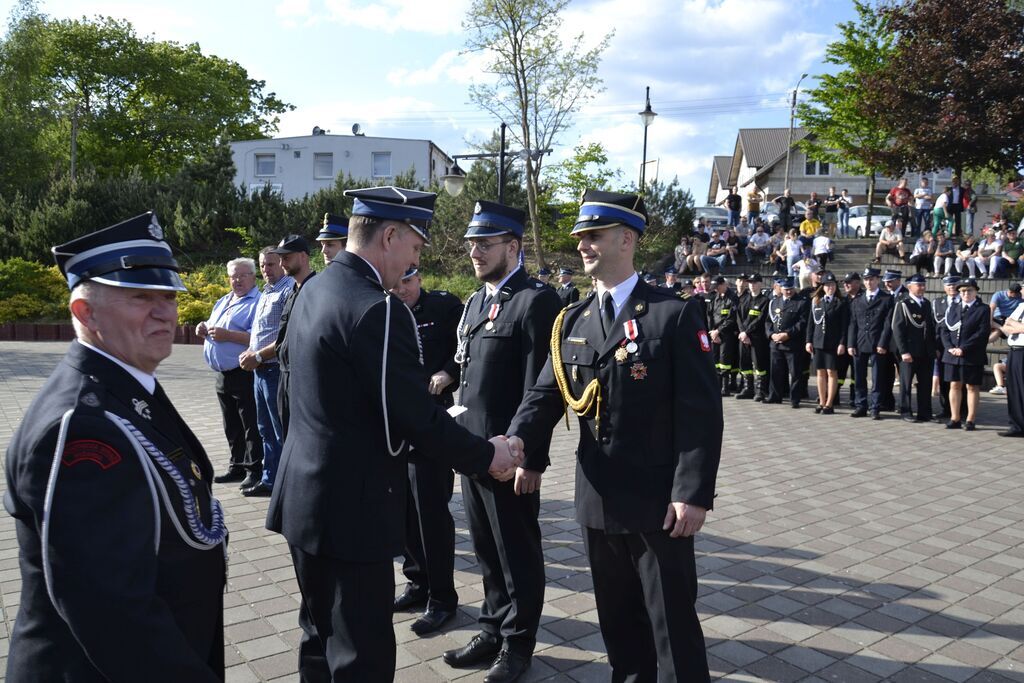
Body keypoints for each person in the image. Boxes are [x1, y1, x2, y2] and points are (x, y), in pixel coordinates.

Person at [266, 186, 522, 682]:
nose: (413, 260)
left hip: (303, 499)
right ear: (389, 236)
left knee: (318, 640)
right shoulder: (378, 309)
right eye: (415, 247)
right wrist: (485, 454)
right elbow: (413, 418)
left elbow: (289, 393)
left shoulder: (314, 290)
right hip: (353, 510)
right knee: (360, 654)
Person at [505, 189, 723, 683]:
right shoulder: (574, 318)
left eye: (593, 236)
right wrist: (516, 441)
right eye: (581, 237)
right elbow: (545, 393)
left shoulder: (673, 314)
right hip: (597, 497)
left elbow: (701, 415)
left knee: (670, 623)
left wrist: (691, 494)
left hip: (657, 502)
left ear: (627, 239)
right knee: (617, 621)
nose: (582, 246)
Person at [5, 212, 227, 681]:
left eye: (168, 297)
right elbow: (110, 610)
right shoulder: (82, 426)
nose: (165, 311)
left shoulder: (128, 383)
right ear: (85, 313)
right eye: (141, 297)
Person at [441, 200, 562, 683]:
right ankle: (492, 626)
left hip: (510, 456)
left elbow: (543, 388)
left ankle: (518, 644)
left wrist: (531, 458)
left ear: (513, 246)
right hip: (473, 451)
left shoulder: (536, 300)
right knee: (487, 549)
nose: (474, 251)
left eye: (484, 244)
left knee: (517, 552)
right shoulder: (474, 302)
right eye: (471, 244)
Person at [390, 267, 465, 635]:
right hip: (394, 425)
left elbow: (465, 348)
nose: (402, 288)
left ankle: (442, 598)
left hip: (433, 419)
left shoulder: (444, 307)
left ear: (420, 279)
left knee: (430, 512)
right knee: (404, 510)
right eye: (398, 281)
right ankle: (417, 582)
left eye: (409, 280)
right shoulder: (385, 308)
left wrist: (449, 373)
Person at [237, 239, 301, 497]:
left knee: (281, 430)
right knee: (265, 429)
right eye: (263, 265)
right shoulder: (266, 291)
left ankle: (288, 484)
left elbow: (287, 335)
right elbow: (261, 330)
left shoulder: (288, 290)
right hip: (260, 372)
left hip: (275, 370)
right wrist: (250, 351)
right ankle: (270, 480)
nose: (267, 269)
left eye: (272, 264)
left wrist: (260, 356)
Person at [197, 257, 262, 489]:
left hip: (244, 372)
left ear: (254, 277)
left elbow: (258, 338)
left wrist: (228, 336)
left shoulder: (258, 302)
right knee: (231, 425)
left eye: (243, 275)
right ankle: (237, 466)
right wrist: (203, 328)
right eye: (233, 276)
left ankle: (255, 470)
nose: (237, 280)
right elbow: (214, 327)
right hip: (222, 375)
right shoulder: (224, 300)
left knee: (250, 425)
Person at [266, 234, 316, 492]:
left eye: (287, 257)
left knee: (304, 442)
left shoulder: (316, 289)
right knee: (284, 436)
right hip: (285, 376)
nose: (282, 261)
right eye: (281, 256)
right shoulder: (293, 290)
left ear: (304, 257)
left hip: (303, 380)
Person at [940, 278, 989, 430]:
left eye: (969, 290)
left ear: (976, 291)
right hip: (952, 354)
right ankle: (955, 418)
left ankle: (970, 419)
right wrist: (949, 347)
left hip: (971, 354)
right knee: (954, 385)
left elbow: (982, 333)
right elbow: (944, 330)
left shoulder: (983, 309)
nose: (965, 293)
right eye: (962, 291)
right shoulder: (953, 308)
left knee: (972, 387)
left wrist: (963, 348)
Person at [847, 267, 895, 419]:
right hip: (860, 343)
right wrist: (850, 344)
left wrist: (883, 343)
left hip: (877, 343)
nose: (869, 282)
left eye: (872, 279)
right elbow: (853, 324)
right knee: (859, 377)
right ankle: (861, 405)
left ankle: (875, 407)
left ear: (878, 280)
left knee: (877, 377)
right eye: (866, 279)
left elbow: (888, 325)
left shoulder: (886, 299)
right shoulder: (858, 300)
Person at [890, 273, 936, 422]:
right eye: (919, 285)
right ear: (910, 286)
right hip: (909, 351)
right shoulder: (903, 304)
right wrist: (903, 351)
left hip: (925, 351)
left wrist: (933, 348)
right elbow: (897, 329)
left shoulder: (927, 304)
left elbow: (930, 329)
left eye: (923, 284)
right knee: (906, 383)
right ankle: (905, 411)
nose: (922, 287)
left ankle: (925, 412)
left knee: (925, 384)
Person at [805, 271, 848, 413]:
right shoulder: (816, 301)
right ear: (822, 287)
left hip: (833, 343)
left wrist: (842, 343)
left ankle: (829, 404)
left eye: (832, 284)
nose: (830, 287)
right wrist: (808, 341)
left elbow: (844, 326)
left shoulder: (840, 303)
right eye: (827, 285)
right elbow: (811, 323)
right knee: (820, 372)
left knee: (831, 372)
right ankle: (821, 402)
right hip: (818, 342)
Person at [765, 276, 809, 408]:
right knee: (775, 372)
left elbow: (802, 322)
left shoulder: (801, 302)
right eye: (785, 289)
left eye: (790, 289)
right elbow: (768, 321)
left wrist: (787, 334)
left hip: (792, 343)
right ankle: (775, 396)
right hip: (776, 343)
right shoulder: (774, 302)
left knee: (795, 373)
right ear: (780, 288)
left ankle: (795, 399)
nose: (788, 291)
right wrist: (771, 335)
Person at [736, 273, 770, 401]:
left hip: (757, 338)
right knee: (744, 363)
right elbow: (738, 317)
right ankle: (748, 388)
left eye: (754, 283)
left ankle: (760, 390)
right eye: (750, 283)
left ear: (760, 284)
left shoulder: (765, 301)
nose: (752, 285)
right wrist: (742, 333)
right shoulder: (744, 299)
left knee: (759, 365)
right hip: (743, 338)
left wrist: (747, 333)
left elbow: (760, 320)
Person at [933, 275, 961, 421]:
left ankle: (962, 410)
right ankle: (946, 408)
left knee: (960, 380)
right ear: (944, 287)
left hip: (959, 346)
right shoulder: (937, 302)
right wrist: (935, 347)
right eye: (948, 285)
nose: (951, 287)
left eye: (954, 285)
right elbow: (934, 327)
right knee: (944, 379)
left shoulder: (966, 301)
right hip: (942, 348)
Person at [996, 295, 1024, 436]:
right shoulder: (1020, 306)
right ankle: (1017, 426)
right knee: (1014, 389)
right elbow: (1006, 326)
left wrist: (1016, 325)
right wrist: (1017, 327)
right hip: (1014, 350)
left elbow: (1013, 325)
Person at [708, 275, 739, 396]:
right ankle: (717, 385)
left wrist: (718, 331)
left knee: (724, 361)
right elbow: (709, 315)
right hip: (715, 334)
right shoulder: (715, 297)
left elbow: (731, 318)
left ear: (723, 285)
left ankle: (725, 388)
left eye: (717, 287)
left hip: (727, 334)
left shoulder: (732, 298)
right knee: (715, 361)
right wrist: (712, 332)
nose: (715, 289)